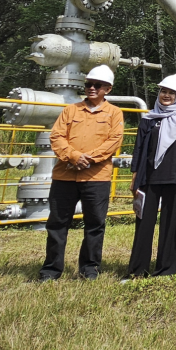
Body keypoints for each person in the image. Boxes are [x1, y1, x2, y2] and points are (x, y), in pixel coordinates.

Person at [39, 64, 124, 281]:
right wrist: (74, 157)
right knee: (58, 223)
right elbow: (57, 137)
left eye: (97, 85)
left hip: (97, 177)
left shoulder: (114, 113)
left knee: (95, 223)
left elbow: (114, 141)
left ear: (108, 89)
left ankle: (89, 268)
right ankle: (51, 270)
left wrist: (89, 159)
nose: (91, 88)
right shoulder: (71, 110)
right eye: (88, 84)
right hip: (65, 176)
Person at [122, 74, 176, 280]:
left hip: (175, 178)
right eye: (164, 91)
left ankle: (167, 268)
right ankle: (138, 269)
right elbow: (138, 148)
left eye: (171, 93)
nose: (166, 95)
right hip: (148, 179)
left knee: (172, 224)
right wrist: (135, 176)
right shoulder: (148, 119)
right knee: (143, 223)